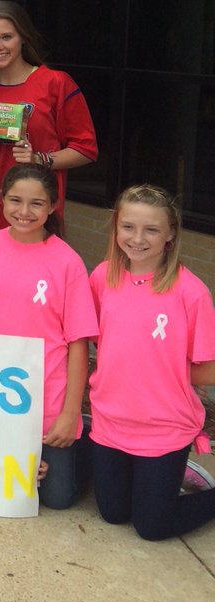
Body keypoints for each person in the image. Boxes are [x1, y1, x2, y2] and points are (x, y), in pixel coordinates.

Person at [0, 164, 97, 509]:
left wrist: (69, 414)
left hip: (48, 399)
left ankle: (91, 442)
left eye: (37, 203)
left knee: (56, 498)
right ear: (2, 200)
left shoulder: (68, 262)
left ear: (52, 206)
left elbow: (78, 345)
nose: (24, 211)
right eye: (16, 200)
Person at [89, 184, 215, 540]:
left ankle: (182, 479)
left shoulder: (191, 292)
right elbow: (104, 340)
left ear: (170, 234)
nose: (138, 238)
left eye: (152, 229)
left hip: (163, 425)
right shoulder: (102, 277)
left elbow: (210, 368)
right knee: (113, 514)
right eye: (128, 226)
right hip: (111, 418)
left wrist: (159, 368)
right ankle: (160, 482)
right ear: (116, 227)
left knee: (152, 527)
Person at [0, 0, 97, 254]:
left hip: (32, 214)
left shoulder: (55, 83)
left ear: (23, 37)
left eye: (6, 37)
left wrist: (39, 158)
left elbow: (86, 149)